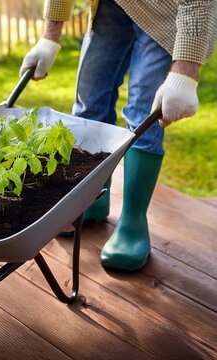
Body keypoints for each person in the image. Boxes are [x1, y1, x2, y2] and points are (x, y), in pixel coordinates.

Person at [20, 0, 217, 271]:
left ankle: (133, 221)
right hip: (112, 6)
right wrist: (49, 37)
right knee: (89, 103)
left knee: (144, 117)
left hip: (167, 14)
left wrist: (185, 72)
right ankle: (91, 199)